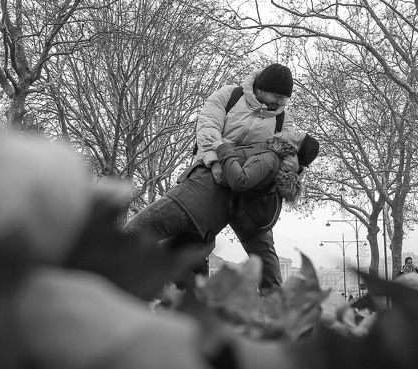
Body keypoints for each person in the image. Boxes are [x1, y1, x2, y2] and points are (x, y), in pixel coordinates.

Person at [122, 130, 318, 287]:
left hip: (192, 200)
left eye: (298, 136)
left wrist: (223, 149)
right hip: (210, 220)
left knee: (130, 235)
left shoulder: (270, 158)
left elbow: (240, 180)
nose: (293, 131)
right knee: (185, 275)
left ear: (293, 150)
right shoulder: (274, 164)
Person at [193, 63, 304, 291]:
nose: (281, 102)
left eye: (285, 98)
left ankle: (275, 310)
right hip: (214, 177)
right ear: (261, 88)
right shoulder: (228, 96)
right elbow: (208, 128)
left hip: (251, 191)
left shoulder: (283, 119)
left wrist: (297, 168)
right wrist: (215, 160)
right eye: (277, 95)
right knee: (194, 243)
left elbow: (288, 152)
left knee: (265, 257)